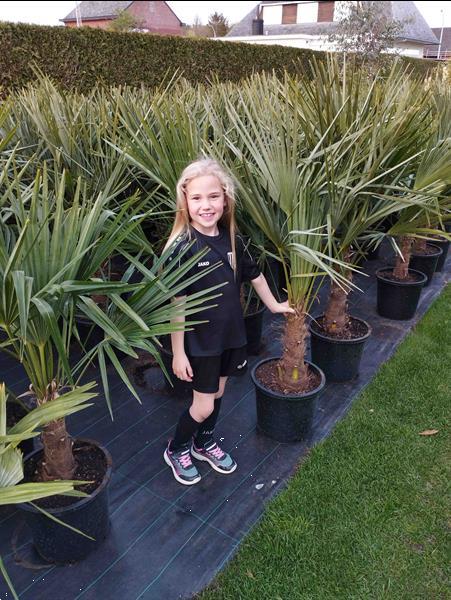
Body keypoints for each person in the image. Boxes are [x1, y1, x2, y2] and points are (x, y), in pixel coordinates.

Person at [163, 158, 294, 485]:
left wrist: (275, 305)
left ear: (225, 199)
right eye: (196, 198)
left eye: (212, 197)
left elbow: (256, 275)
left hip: (231, 336)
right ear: (185, 202)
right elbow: (176, 305)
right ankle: (177, 448)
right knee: (203, 404)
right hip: (201, 343)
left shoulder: (233, 238)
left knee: (219, 393)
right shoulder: (182, 248)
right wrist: (178, 352)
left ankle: (203, 442)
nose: (205, 205)